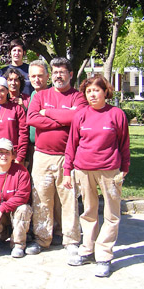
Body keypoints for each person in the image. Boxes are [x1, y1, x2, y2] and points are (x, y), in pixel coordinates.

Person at [63, 75, 130, 277]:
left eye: (96, 90)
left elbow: (124, 144)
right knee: (89, 211)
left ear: (105, 92)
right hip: (84, 169)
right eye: (89, 91)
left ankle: (104, 255)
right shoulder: (80, 115)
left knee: (111, 213)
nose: (92, 94)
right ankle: (87, 250)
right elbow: (71, 144)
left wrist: (124, 168)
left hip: (110, 170)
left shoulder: (116, 114)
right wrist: (67, 171)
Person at [25, 57, 88, 257]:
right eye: (55, 72)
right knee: (41, 198)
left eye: (62, 72)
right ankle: (42, 239)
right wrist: (63, 119)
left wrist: (49, 113)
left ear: (70, 74)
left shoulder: (78, 97)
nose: (58, 76)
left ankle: (71, 239)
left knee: (68, 198)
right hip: (42, 155)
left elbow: (78, 117)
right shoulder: (40, 95)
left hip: (68, 156)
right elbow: (32, 119)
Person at [0, 138, 32, 258]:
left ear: (13, 155)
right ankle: (2, 236)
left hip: (14, 212)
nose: (4, 156)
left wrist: (3, 208)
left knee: (24, 209)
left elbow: (23, 196)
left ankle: (18, 244)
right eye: (0, 152)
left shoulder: (21, 172)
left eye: (7, 152)